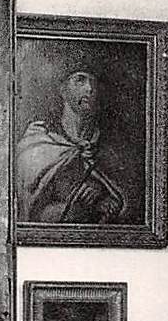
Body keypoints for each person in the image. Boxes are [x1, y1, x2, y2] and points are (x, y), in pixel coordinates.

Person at [16, 70, 129, 225]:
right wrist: (72, 207)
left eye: (94, 83)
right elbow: (29, 211)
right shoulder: (39, 141)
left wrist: (106, 202)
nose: (90, 89)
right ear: (63, 90)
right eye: (80, 80)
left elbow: (123, 206)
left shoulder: (111, 147)